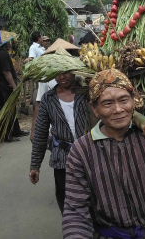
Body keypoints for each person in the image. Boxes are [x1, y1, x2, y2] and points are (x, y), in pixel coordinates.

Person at [62, 69, 145, 238]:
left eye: (124, 100)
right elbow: (75, 210)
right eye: (107, 103)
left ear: (134, 100)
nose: (118, 109)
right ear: (94, 108)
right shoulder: (81, 150)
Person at [30, 72, 93, 214]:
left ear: (73, 71)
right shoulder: (49, 98)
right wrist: (35, 165)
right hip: (62, 157)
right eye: (57, 74)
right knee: (66, 197)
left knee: (93, 195)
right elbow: (41, 132)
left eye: (66, 73)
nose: (62, 77)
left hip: (89, 154)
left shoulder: (86, 92)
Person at [0, 37, 29, 142]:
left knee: (11, 109)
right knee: (7, 110)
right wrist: (14, 86)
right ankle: (6, 135)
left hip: (2, 85)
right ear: (5, 43)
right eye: (9, 41)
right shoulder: (3, 55)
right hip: (4, 86)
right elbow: (6, 72)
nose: (10, 43)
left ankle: (16, 130)